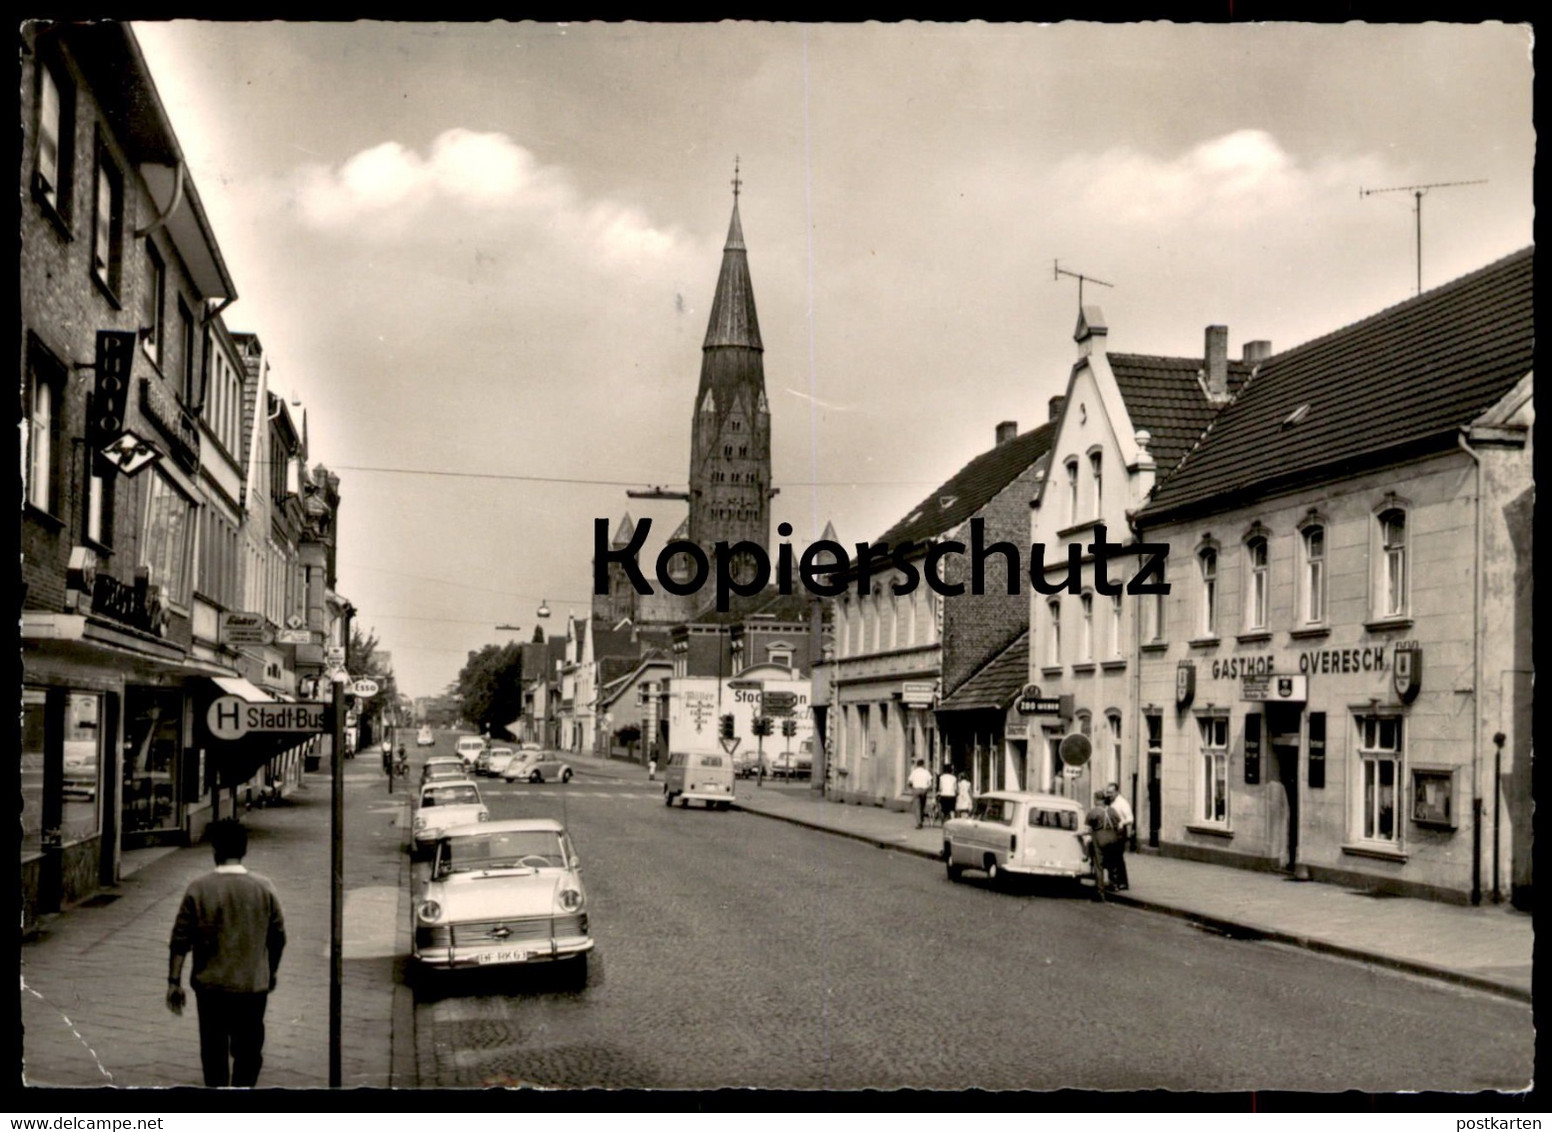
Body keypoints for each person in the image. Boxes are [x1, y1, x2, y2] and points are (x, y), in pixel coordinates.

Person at [167, 820, 286, 1088]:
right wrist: (271, 970)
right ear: (244, 849)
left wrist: (174, 982)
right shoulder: (264, 887)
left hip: (211, 989)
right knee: (249, 1052)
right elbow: (278, 937)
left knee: (213, 1053)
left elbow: (180, 940)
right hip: (251, 987)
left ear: (214, 850)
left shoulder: (198, 888)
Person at [1085, 791, 1124, 893]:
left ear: (1097, 800)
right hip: (1113, 838)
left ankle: (1100, 889)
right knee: (1112, 862)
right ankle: (1114, 884)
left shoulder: (1094, 812)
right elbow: (1120, 825)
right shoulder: (1112, 810)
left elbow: (1088, 828)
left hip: (1099, 838)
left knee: (1099, 864)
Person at [1104, 782, 1132, 890]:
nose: (1109, 795)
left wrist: (1122, 823)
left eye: (1111, 792)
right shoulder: (1110, 802)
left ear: (1117, 792)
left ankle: (1122, 882)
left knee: (1117, 857)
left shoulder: (1122, 803)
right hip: (1110, 832)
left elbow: (1130, 818)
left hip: (1119, 833)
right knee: (1111, 856)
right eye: (1107, 792)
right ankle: (1114, 881)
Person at [907, 759, 933, 828]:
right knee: (922, 805)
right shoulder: (926, 772)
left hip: (916, 789)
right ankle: (921, 818)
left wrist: (911, 788)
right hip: (924, 790)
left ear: (917, 765)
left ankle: (919, 823)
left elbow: (909, 782)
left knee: (917, 807)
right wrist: (927, 789)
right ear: (923, 764)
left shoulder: (914, 772)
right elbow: (930, 783)